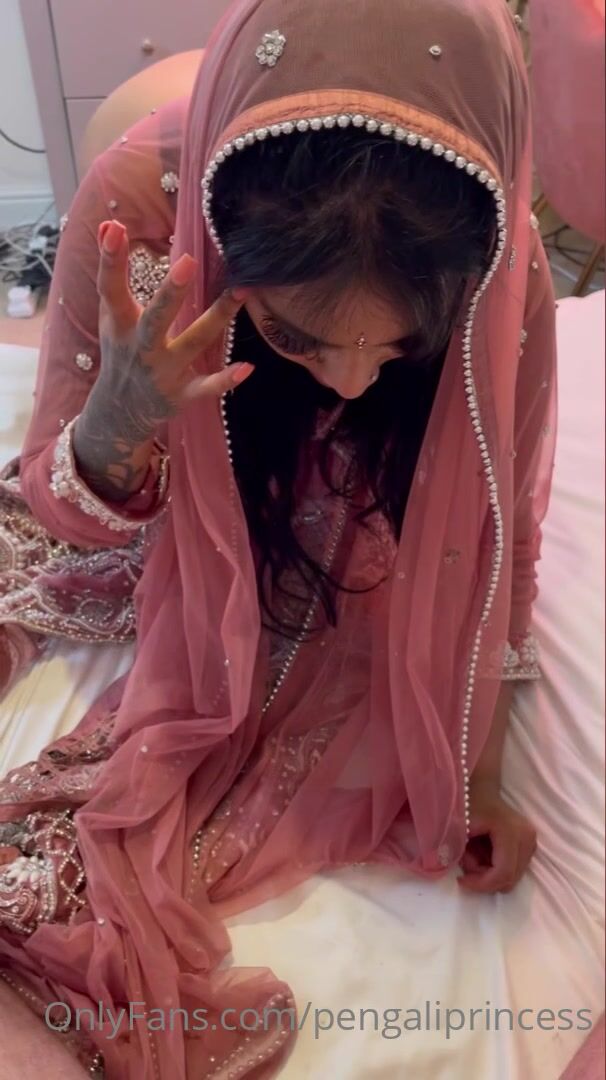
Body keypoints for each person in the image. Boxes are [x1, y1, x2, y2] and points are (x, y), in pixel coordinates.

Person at [0, 0, 558, 1076]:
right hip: (177, 435)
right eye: (300, 336)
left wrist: (478, 770)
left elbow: (501, 523)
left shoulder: (494, 254)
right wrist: (118, 425)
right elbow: (65, 513)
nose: (350, 383)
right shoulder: (137, 222)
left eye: (400, 348)